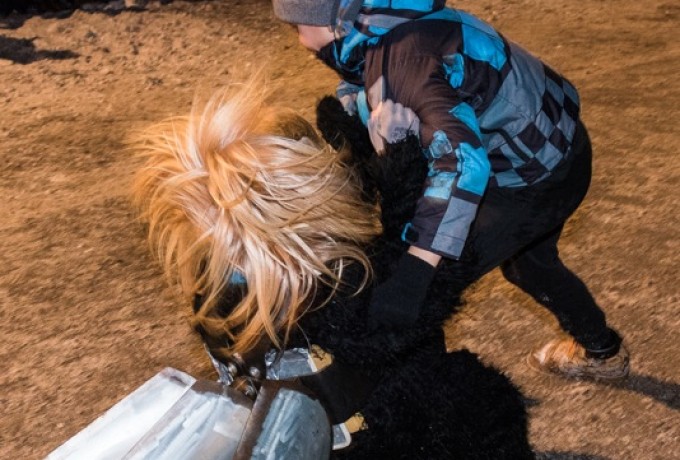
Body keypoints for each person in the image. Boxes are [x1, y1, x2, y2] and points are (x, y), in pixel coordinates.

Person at [131, 82, 534, 458]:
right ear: (301, 194)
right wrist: (404, 166)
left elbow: (326, 227)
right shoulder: (343, 289)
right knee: (489, 398)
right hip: (392, 438)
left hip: (311, 436)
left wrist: (355, 145)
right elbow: (428, 277)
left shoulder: (216, 288)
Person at [271, 0, 630, 380]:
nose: (299, 41)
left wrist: (414, 273)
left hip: (534, 176)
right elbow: (390, 82)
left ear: (332, 22)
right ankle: (601, 350)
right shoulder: (387, 17)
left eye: (297, 28)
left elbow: (461, 164)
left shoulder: (401, 59)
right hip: (556, 143)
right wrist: (356, 110)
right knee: (528, 266)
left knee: (424, 290)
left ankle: (428, 400)